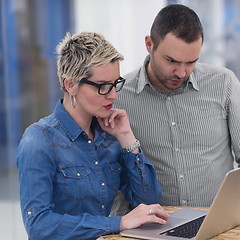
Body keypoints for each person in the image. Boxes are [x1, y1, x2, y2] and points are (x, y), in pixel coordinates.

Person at [112, 4, 240, 215]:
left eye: (191, 62)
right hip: (155, 224)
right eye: (171, 61)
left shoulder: (223, 83)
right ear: (149, 44)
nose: (181, 72)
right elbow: (112, 172)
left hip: (218, 219)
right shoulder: (119, 97)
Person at [16, 32, 169, 240]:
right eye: (102, 86)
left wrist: (127, 138)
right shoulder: (39, 140)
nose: (113, 95)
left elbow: (148, 201)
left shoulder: (109, 136)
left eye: (115, 84)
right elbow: (39, 225)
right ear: (70, 85)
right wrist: (118, 223)